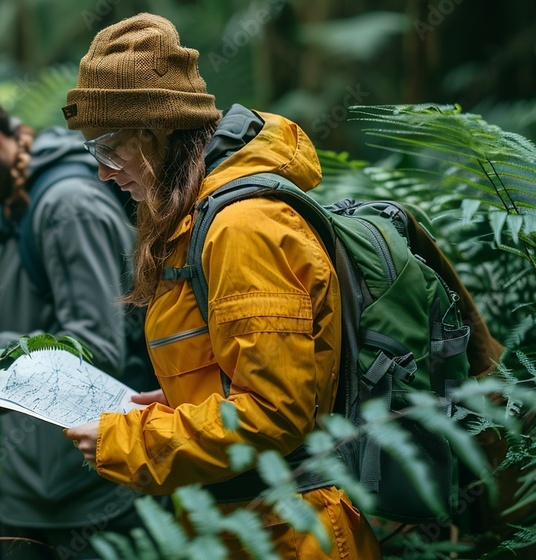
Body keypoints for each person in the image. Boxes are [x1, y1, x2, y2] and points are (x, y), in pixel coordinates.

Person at [60, 13, 381, 559]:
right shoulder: (201, 219)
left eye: (108, 149)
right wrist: (189, 394)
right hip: (247, 527)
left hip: (295, 532)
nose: (104, 173)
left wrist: (127, 442)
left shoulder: (242, 227)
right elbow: (253, 374)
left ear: (155, 132)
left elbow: (275, 412)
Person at [0, 75, 147, 560]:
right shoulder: (11, 202)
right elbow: (34, 328)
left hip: (92, 495)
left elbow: (97, 349)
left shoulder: (68, 208)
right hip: (32, 490)